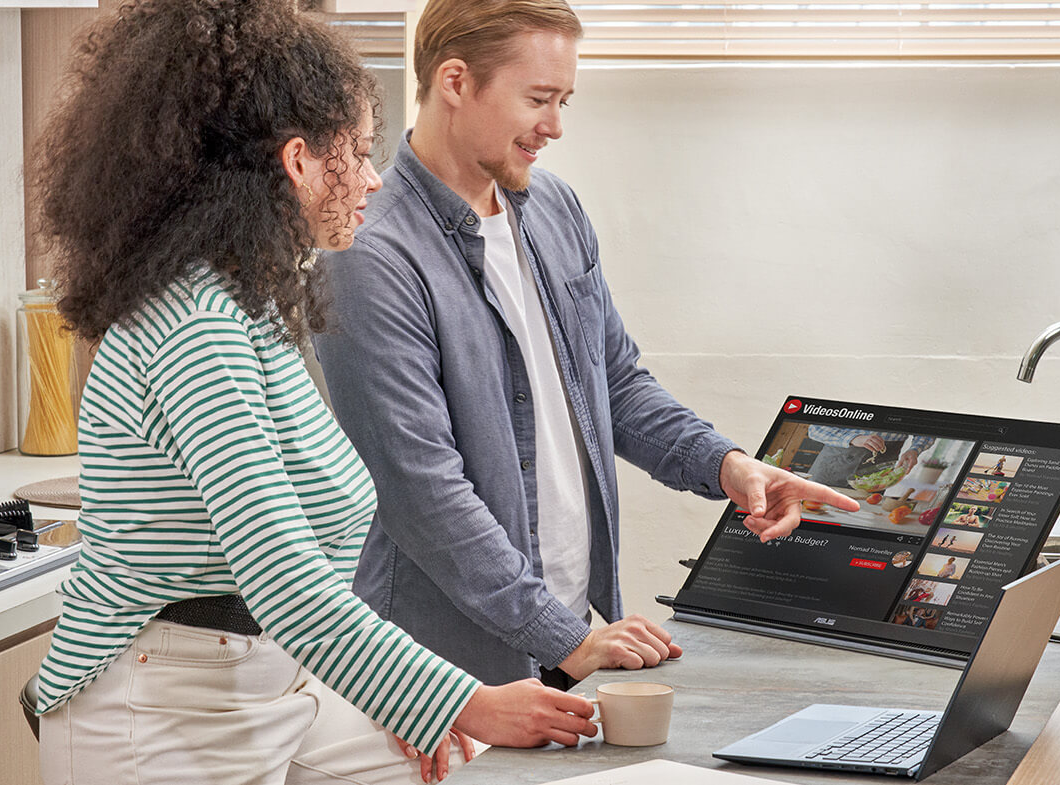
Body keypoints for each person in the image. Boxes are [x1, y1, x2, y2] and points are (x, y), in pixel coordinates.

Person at [27, 3, 595, 783]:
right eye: (357, 154)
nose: (372, 178)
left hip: (273, 683)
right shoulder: (196, 327)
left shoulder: (252, 303)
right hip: (163, 714)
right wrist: (454, 699)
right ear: (297, 162)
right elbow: (282, 575)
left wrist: (406, 703)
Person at [313, 0, 857, 689]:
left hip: (569, 642)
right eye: (539, 98)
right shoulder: (370, 254)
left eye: (563, 99)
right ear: (454, 81)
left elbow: (615, 384)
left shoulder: (556, 212)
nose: (555, 126)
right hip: (444, 675)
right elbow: (421, 491)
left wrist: (728, 467)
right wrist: (564, 636)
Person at [803, 426, 935, 490]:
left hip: (879, 469)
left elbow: (928, 429)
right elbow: (815, 429)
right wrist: (853, 438)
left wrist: (915, 450)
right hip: (834, 462)